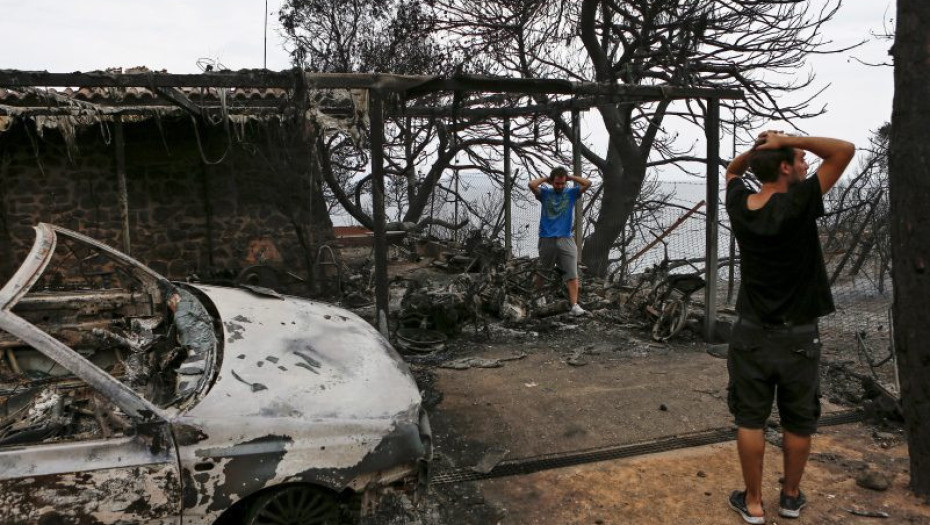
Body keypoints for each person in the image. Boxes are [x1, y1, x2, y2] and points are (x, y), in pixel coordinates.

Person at [724, 130, 855, 523]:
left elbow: (732, 172)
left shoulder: (740, 205)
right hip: (799, 334)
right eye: (799, 159)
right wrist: (786, 137)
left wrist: (755, 152)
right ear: (784, 167)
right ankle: (790, 498)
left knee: (750, 418)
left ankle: (752, 503)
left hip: (749, 333)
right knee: (798, 420)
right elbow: (844, 151)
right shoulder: (799, 201)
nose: (806, 164)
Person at [528, 167, 592, 316]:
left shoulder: (571, 193)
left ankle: (575, 305)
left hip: (566, 237)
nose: (560, 186)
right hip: (547, 237)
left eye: (562, 183)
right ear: (552, 182)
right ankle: (538, 297)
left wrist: (570, 177)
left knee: (572, 272)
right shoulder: (544, 193)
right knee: (543, 271)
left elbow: (587, 183)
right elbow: (532, 185)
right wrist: (546, 179)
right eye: (557, 183)